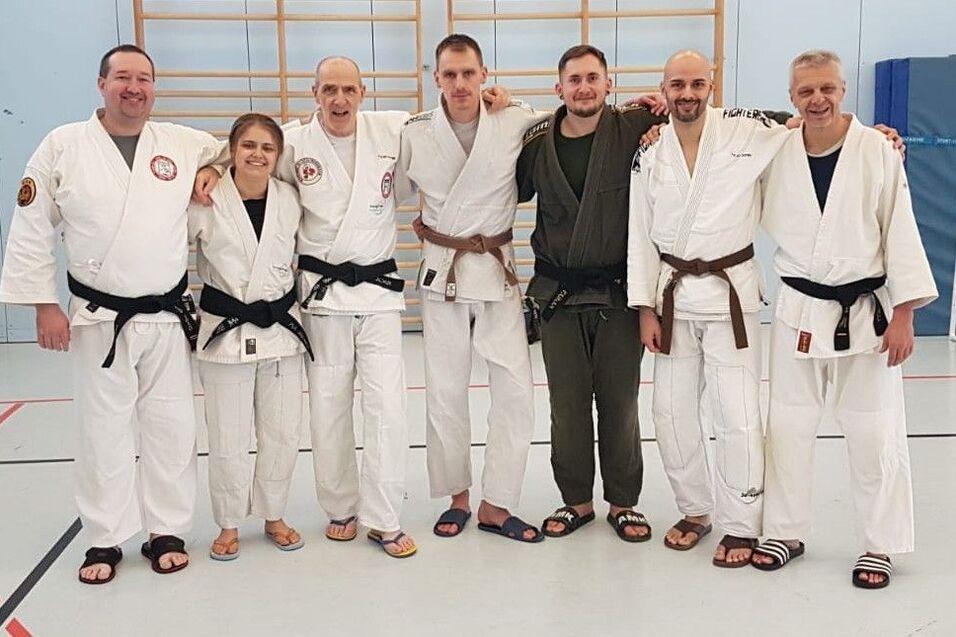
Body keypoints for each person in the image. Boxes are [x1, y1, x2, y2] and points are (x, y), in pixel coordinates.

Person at [0, 44, 226, 583]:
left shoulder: (181, 141)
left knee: (171, 426)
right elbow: (32, 227)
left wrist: (213, 171)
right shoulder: (63, 145)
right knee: (102, 429)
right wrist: (44, 305)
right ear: (100, 84)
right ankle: (104, 539)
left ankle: (166, 529)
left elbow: (232, 149)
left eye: (144, 79)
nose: (134, 88)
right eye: (122, 77)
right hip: (98, 315)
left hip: (168, 315)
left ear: (154, 87)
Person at [752, 50, 937, 589]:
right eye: (806, 91)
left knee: (873, 431)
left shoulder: (877, 150)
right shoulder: (775, 148)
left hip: (869, 316)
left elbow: (900, 231)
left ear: (843, 90)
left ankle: (879, 545)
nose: (818, 99)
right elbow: (718, 139)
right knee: (786, 426)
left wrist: (904, 316)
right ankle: (784, 531)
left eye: (827, 88)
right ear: (790, 97)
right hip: (798, 310)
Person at [627, 50, 792, 566]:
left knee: (738, 412)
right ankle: (695, 510)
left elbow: (810, 123)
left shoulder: (746, 130)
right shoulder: (649, 151)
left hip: (730, 298)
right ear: (664, 87)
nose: (688, 94)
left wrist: (867, 131)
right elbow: (639, 233)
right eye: (677, 84)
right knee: (670, 412)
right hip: (672, 296)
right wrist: (643, 307)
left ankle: (741, 523)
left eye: (697, 83)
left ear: (712, 85)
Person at [396, 34, 549, 543]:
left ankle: (497, 503)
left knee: (515, 392)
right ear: (435, 78)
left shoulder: (516, 119)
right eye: (449, 74)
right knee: (444, 391)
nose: (459, 83)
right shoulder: (414, 132)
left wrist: (649, 111)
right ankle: (457, 496)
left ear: (486, 75)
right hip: (443, 272)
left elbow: (574, 117)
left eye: (468, 73)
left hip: (498, 271)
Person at [515, 44, 666, 542]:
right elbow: (495, 183)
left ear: (608, 83)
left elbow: (712, 125)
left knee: (620, 403)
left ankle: (624, 502)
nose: (583, 87)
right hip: (557, 293)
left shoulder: (633, 128)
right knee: (567, 403)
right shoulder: (535, 142)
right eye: (574, 79)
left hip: (618, 293)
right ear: (558, 88)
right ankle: (575, 500)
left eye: (592, 78)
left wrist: (798, 126)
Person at [188, 113, 309, 561]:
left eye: (267, 148)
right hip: (225, 334)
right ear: (232, 151)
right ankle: (229, 522)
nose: (257, 154)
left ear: (277, 156)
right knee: (228, 435)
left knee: (281, 431)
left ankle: (274, 515)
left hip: (280, 330)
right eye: (248, 146)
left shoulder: (290, 199)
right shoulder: (205, 198)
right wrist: (209, 170)